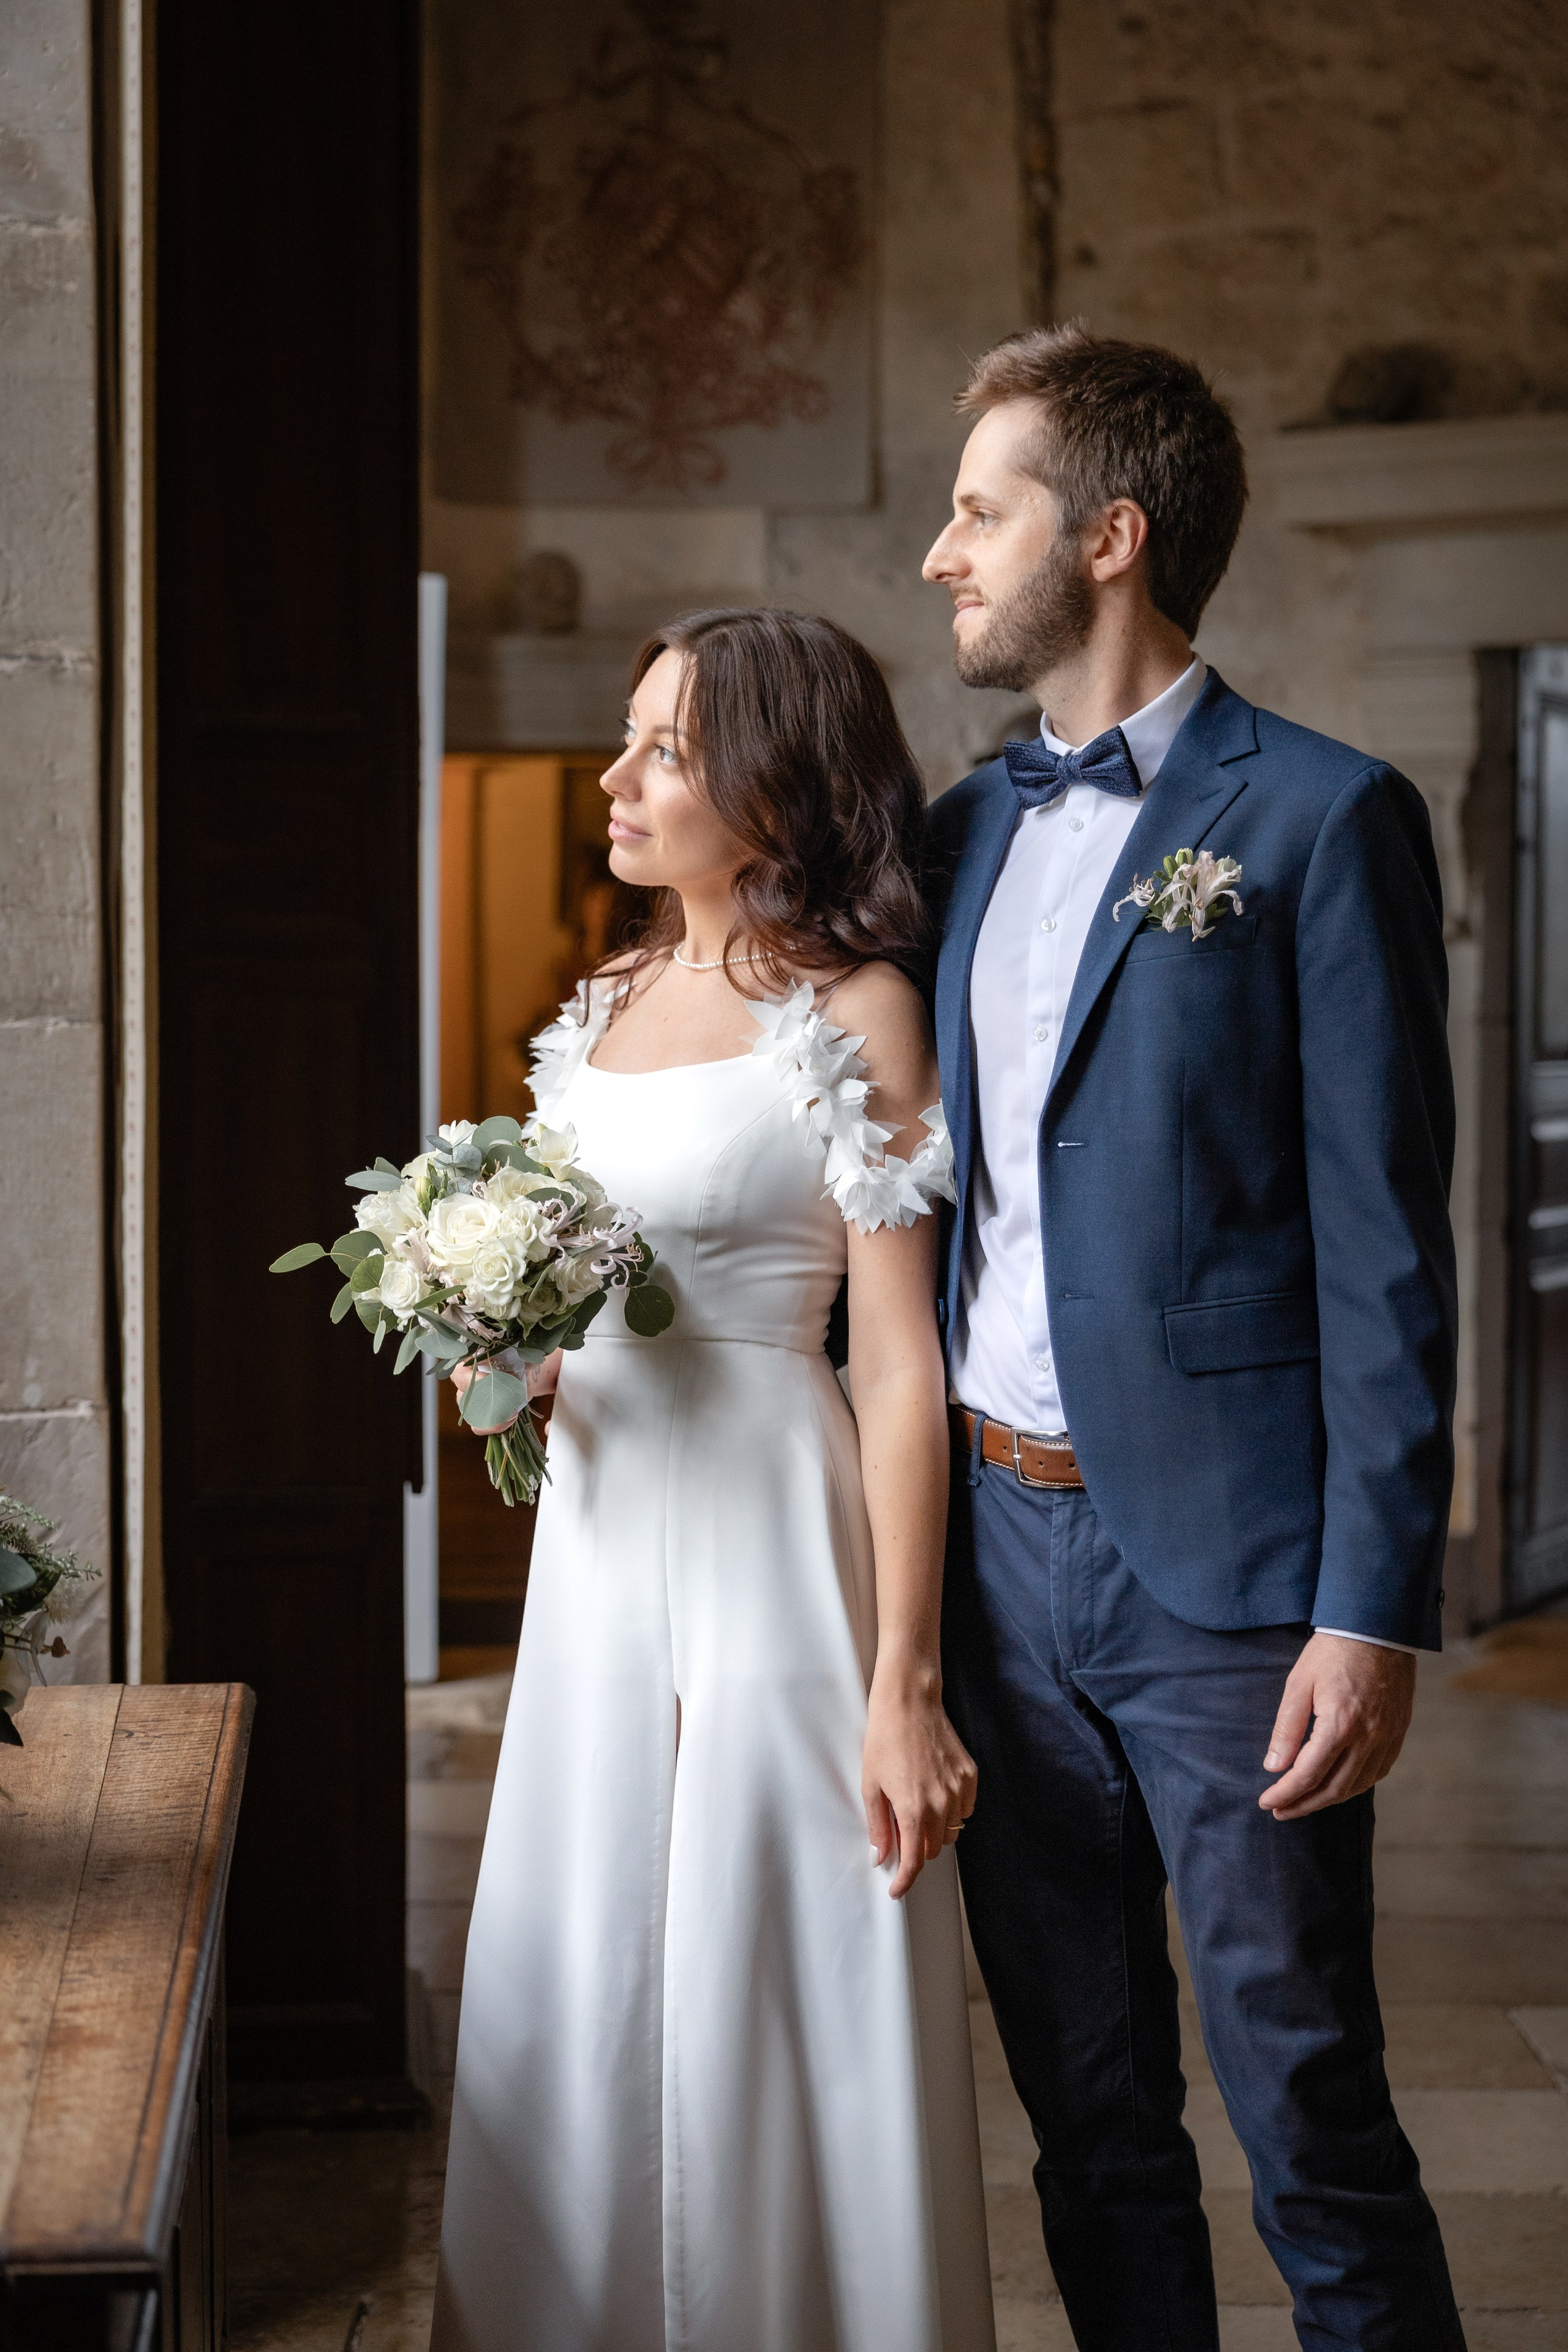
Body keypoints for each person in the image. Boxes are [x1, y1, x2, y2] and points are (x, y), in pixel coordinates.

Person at [922, 323, 1464, 2350]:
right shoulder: (958, 833)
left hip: (1234, 1587)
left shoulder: (1324, 820)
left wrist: (1371, 1608)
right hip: (992, 1553)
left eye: (981, 511)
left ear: (1112, 536)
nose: (941, 554)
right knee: (1085, 2120)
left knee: (1309, 2108)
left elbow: (1384, 1247)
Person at [430, 609, 997, 2352]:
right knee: (587, 1946)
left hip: (774, 1530)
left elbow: (898, 1360)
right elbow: (574, 1286)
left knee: (785, 1943)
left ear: (772, 785)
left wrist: (905, 1681)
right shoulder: (601, 1001)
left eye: (665, 751)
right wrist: (502, 1351)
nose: (616, 777)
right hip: (600, 1552)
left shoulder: (859, 1010)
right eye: (632, 736)